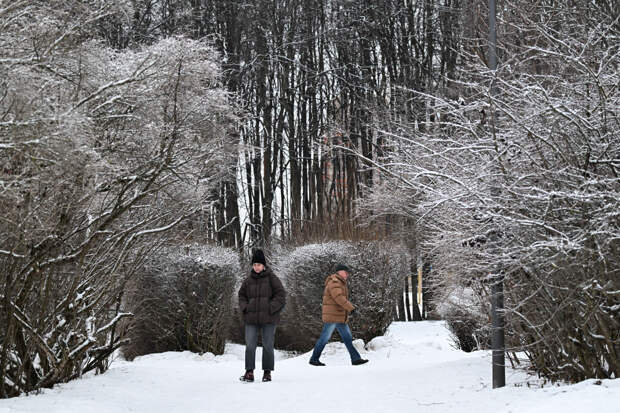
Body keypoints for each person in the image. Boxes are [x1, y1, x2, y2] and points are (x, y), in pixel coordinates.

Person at [238, 249, 286, 382]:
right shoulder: (248, 280)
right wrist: (245, 307)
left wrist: (270, 308)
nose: (256, 267)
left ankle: (267, 372)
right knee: (250, 346)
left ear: (264, 265)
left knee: (268, 346)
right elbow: (241, 295)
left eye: (258, 265)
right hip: (251, 319)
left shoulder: (272, 278)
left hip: (269, 319)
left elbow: (281, 296)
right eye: (254, 265)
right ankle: (249, 372)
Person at [309, 264, 368, 366]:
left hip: (338, 315)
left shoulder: (339, 282)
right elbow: (339, 297)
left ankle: (355, 359)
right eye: (345, 272)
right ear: (339, 272)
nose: (347, 274)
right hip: (333, 316)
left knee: (347, 338)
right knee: (324, 338)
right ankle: (314, 359)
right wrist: (351, 308)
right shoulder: (335, 282)